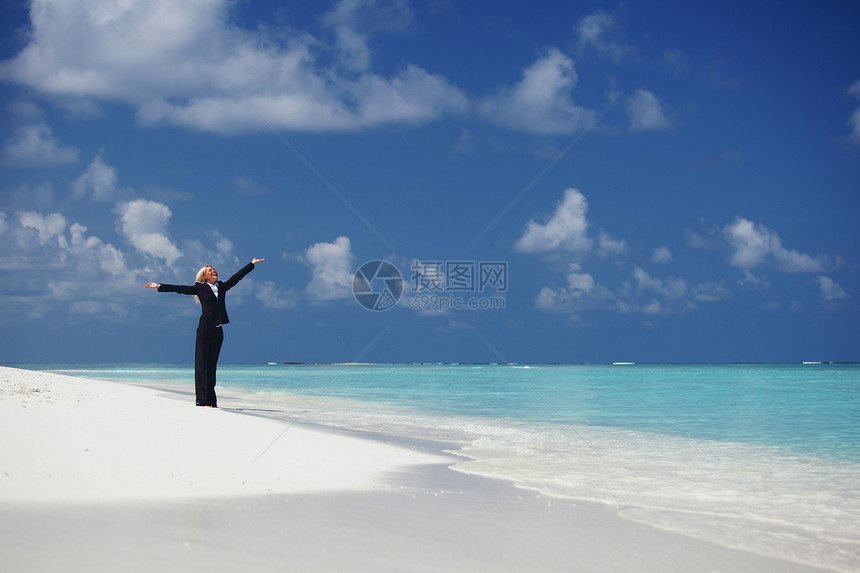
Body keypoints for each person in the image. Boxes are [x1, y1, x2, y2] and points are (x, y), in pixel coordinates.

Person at [145, 258, 265, 407]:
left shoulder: (221, 287)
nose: (213, 270)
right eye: (210, 270)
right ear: (204, 276)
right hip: (204, 331)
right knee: (202, 366)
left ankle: (211, 400)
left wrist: (251, 264)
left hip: (218, 331)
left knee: (212, 366)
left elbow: (236, 278)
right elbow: (181, 288)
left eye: (214, 269)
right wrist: (159, 285)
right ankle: (202, 400)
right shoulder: (199, 288)